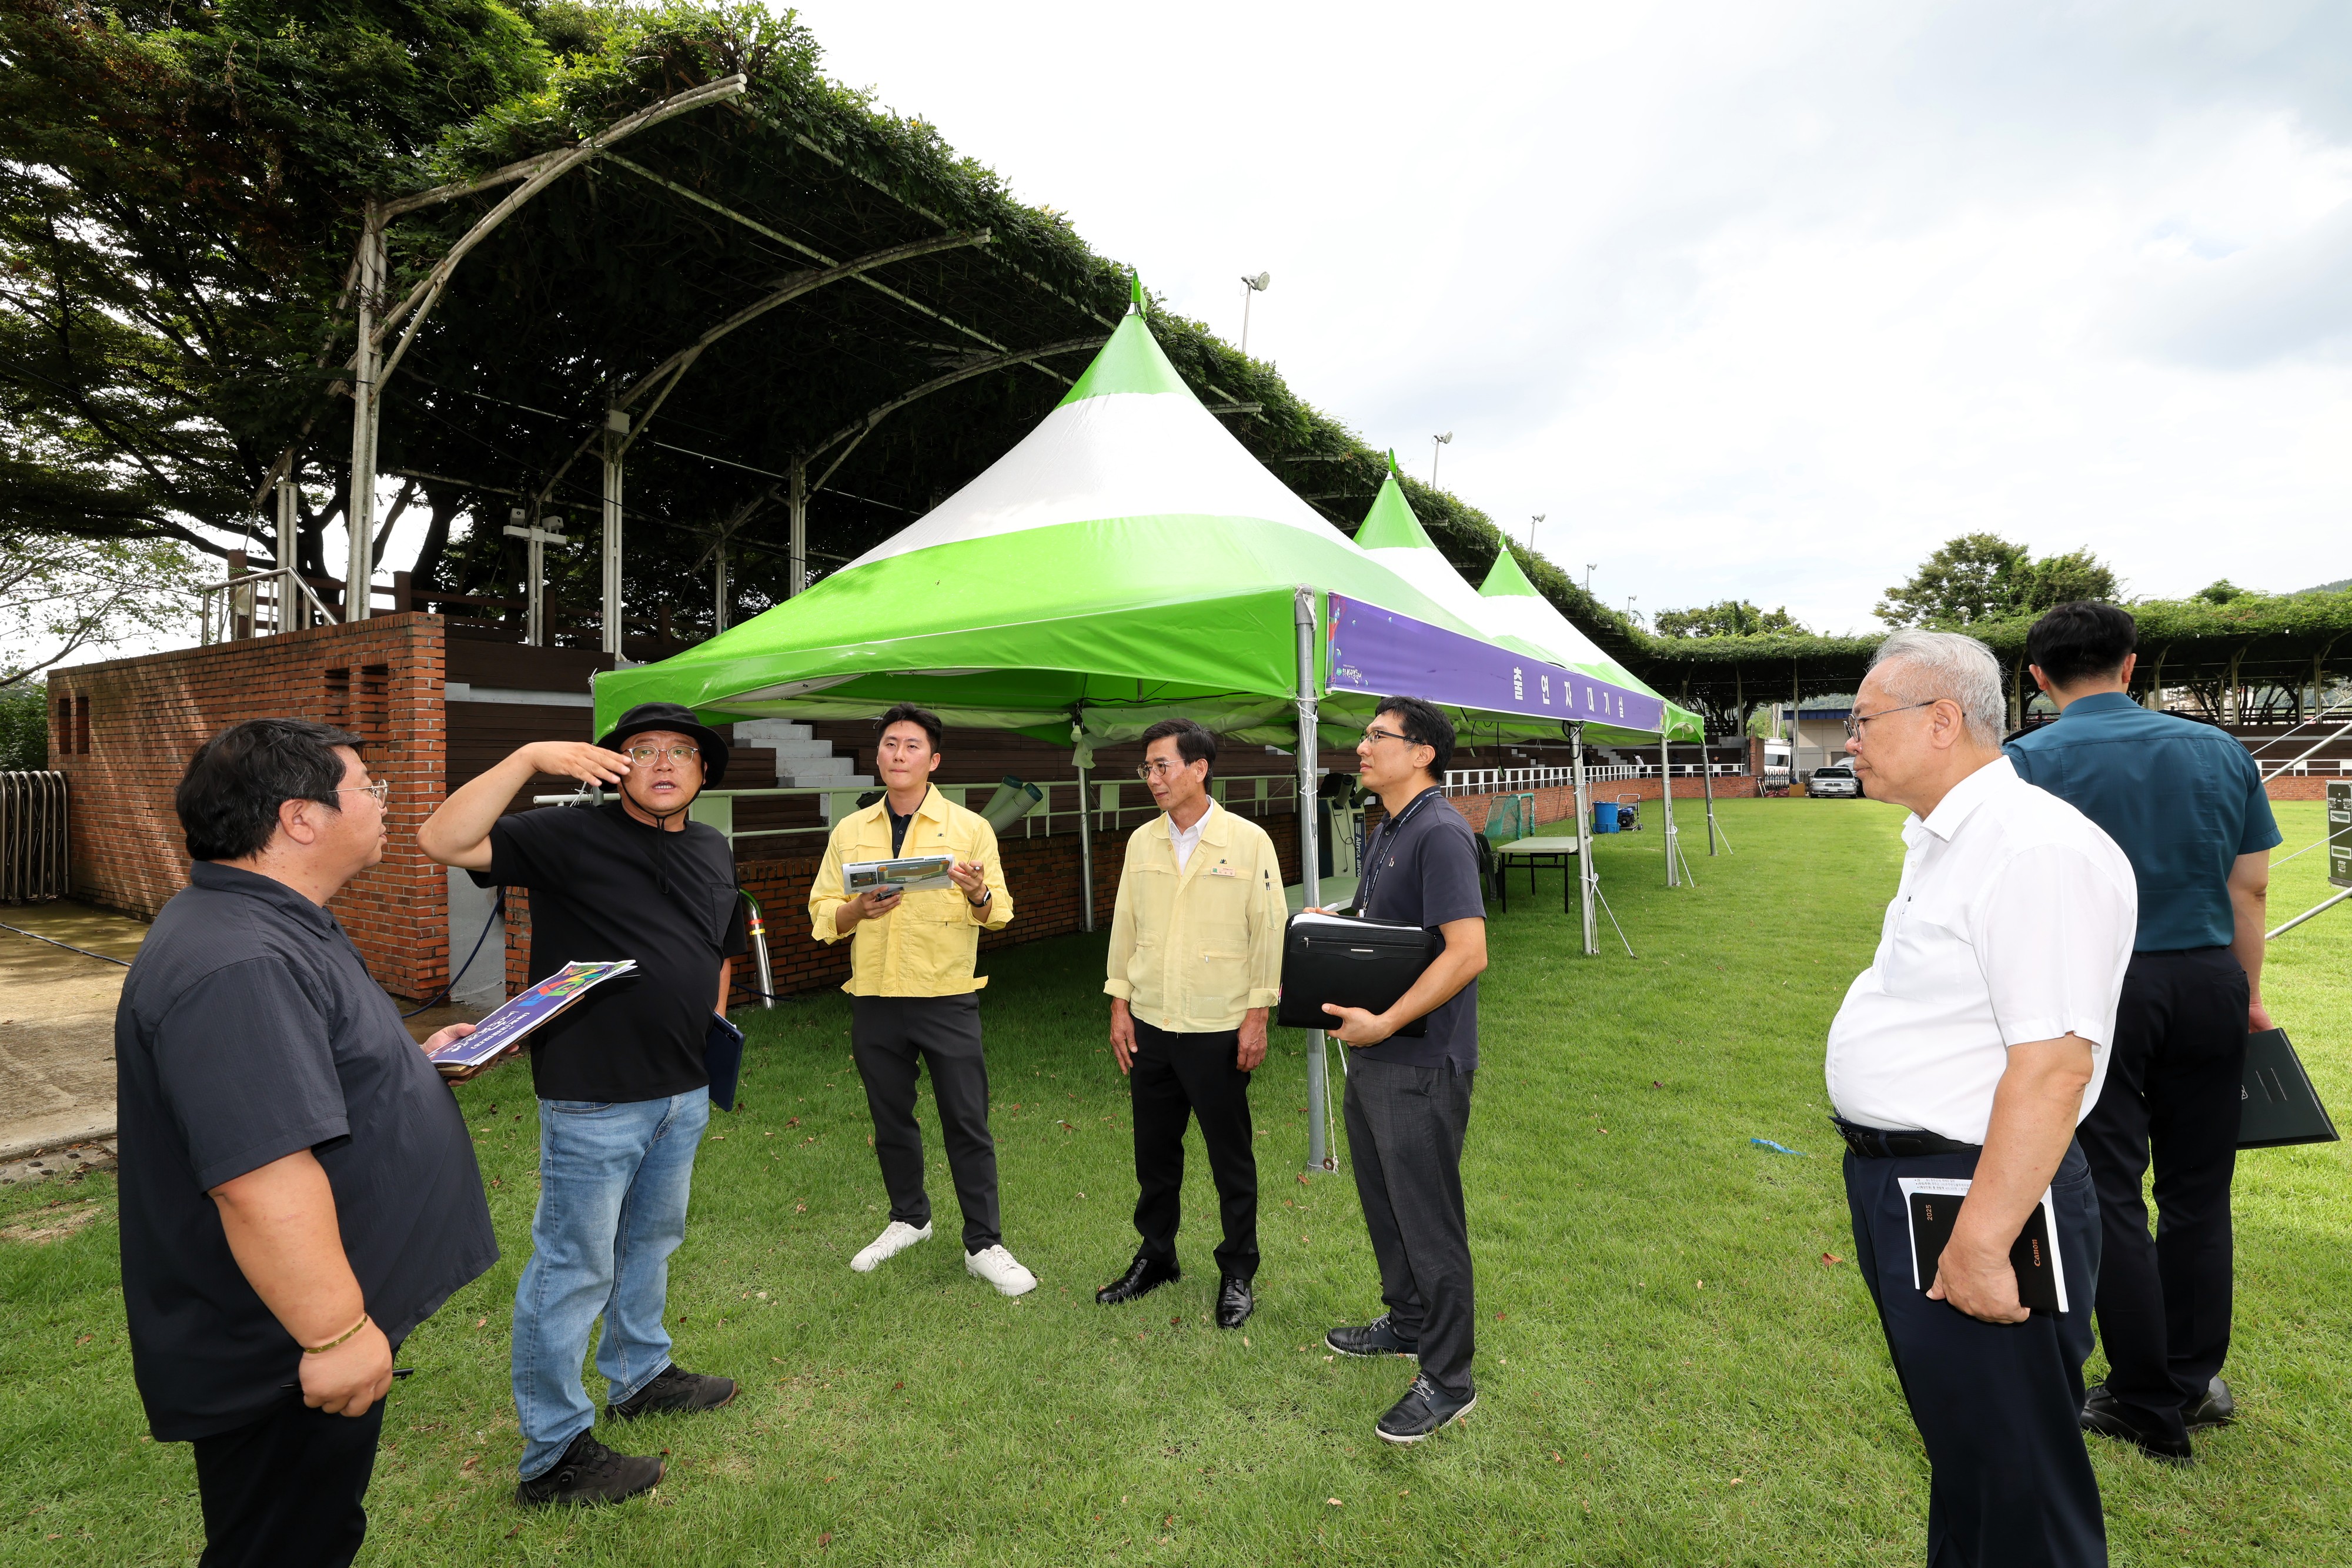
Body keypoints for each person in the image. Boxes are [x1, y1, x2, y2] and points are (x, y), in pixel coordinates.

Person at [116, 718, 495, 1567]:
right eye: (369, 787)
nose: (384, 803)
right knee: (287, 1544)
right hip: (281, 1347)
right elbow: (258, 1173)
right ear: (300, 817)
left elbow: (301, 1072)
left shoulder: (277, 919)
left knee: (317, 1528)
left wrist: (411, 1064)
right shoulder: (238, 959)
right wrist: (332, 1333)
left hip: (304, 1329)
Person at [1830, 630, 2136, 1568]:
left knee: (2019, 1483)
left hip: (1975, 1195)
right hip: (1926, 1185)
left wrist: (1981, 1237)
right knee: (1973, 1458)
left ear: (1943, 720)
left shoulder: (2033, 848)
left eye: (1863, 720)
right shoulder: (1951, 838)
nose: (1849, 741)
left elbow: (2053, 1067)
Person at [419, 701, 746, 1507]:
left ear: (703, 773)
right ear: (612, 767)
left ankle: (640, 1373)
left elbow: (718, 945)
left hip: (682, 1090)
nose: (664, 762)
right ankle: (553, 1454)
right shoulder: (567, 837)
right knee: (573, 1267)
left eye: (681, 751)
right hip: (594, 1096)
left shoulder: (711, 846)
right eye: (642, 750)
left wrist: (710, 1026)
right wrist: (529, 754)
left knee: (652, 1239)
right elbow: (443, 838)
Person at [2008, 600, 2281, 1462]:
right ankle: (2192, 1380)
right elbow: (2249, 891)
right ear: (2132, 666)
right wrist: (2249, 994)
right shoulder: (2219, 749)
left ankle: (2140, 1393)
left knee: (2114, 1190)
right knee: (2200, 1193)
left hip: (2098, 988)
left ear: (2039, 677)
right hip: (2207, 978)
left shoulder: (2022, 761)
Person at [807, 703, 1035, 1296]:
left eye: (911, 746)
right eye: (889, 745)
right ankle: (909, 1218)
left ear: (933, 760)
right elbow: (822, 914)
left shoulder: (968, 829)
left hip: (946, 997)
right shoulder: (850, 831)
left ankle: (984, 1243)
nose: (897, 755)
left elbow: (1000, 913)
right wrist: (859, 910)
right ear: (877, 756)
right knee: (891, 1121)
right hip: (876, 998)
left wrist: (979, 891)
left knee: (966, 1121)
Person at [1316, 696, 1490, 1445]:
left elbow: (1467, 951)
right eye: (1364, 735)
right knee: (1386, 1202)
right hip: (1377, 1054)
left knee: (1427, 1219)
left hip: (1417, 1059)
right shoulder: (1391, 826)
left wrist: (1386, 1021)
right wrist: (1330, 924)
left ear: (1420, 752)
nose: (1361, 747)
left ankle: (1449, 1378)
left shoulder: (1442, 833)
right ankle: (1409, 1321)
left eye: (1377, 736)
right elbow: (1389, 931)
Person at [1098, 718, 1287, 1328]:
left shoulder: (1247, 841)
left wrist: (1257, 1012)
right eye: (1146, 768)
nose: (1152, 778)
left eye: (1162, 766)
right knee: (1153, 1156)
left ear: (1199, 768)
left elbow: (1269, 931)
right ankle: (1157, 1256)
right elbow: (1125, 926)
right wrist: (1119, 1002)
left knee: (1229, 1157)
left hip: (1218, 1026)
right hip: (1152, 1023)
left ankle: (1237, 1270)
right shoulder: (1141, 843)